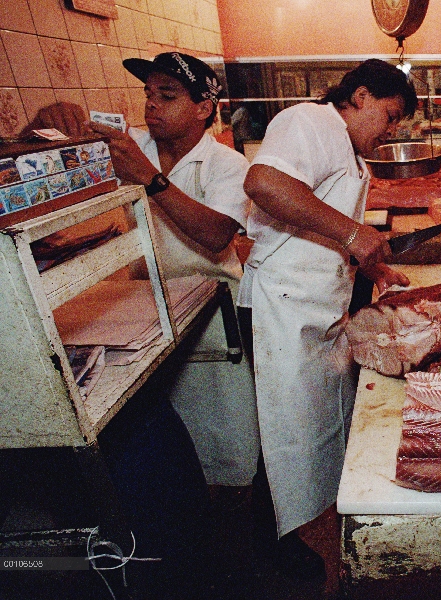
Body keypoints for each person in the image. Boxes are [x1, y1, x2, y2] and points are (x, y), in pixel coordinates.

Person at [25, 52, 261, 591]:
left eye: (168, 96)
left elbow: (216, 235)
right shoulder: (134, 144)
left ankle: (234, 565)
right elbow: (61, 152)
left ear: (204, 107)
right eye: (149, 94)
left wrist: (150, 178)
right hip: (141, 309)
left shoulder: (227, 165)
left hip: (209, 314)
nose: (152, 106)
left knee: (229, 449)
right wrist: (52, 126)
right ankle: (181, 550)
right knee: (168, 442)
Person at [237, 59, 415, 578]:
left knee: (309, 431)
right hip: (281, 309)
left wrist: (373, 264)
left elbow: (319, 224)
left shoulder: (351, 154)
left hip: (315, 309)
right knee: (284, 433)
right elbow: (265, 183)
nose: (391, 131)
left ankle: (292, 540)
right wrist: (353, 235)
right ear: (359, 96)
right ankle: (270, 559)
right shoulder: (310, 122)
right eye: (389, 115)